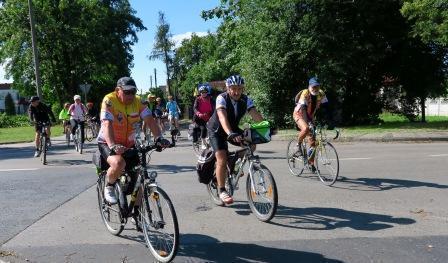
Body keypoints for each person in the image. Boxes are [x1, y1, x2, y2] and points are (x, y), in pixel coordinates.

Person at [97, 77, 170, 204]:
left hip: (129, 143)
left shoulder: (138, 102)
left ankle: (137, 215)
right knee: (119, 163)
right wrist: (113, 145)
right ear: (117, 90)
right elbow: (106, 123)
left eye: (133, 92)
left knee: (139, 178)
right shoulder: (109, 100)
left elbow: (150, 120)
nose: (130, 95)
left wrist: (159, 138)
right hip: (108, 141)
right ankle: (109, 186)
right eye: (127, 92)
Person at [207, 75, 264, 205]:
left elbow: (255, 114)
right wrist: (230, 133)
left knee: (252, 145)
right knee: (221, 158)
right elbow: (222, 117)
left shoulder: (246, 99)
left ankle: (234, 162)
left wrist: (266, 127)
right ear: (228, 88)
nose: (237, 92)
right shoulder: (221, 98)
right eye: (233, 89)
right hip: (216, 131)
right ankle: (222, 190)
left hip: (232, 129)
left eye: (240, 88)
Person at [292, 77, 332, 171]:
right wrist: (308, 123)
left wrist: (330, 122)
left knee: (313, 143)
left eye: (317, 86)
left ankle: (311, 163)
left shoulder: (321, 94)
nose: (315, 89)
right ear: (309, 86)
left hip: (310, 116)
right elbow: (303, 109)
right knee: (306, 128)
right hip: (300, 114)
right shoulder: (305, 93)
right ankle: (298, 146)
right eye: (313, 87)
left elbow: (327, 108)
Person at [193, 83, 215, 149]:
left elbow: (214, 107)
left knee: (213, 128)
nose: (204, 94)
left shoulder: (210, 99)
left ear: (207, 93)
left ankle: (210, 140)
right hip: (199, 118)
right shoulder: (198, 99)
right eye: (202, 92)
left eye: (205, 92)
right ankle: (203, 142)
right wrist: (199, 114)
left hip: (208, 116)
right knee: (203, 128)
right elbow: (195, 108)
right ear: (200, 93)